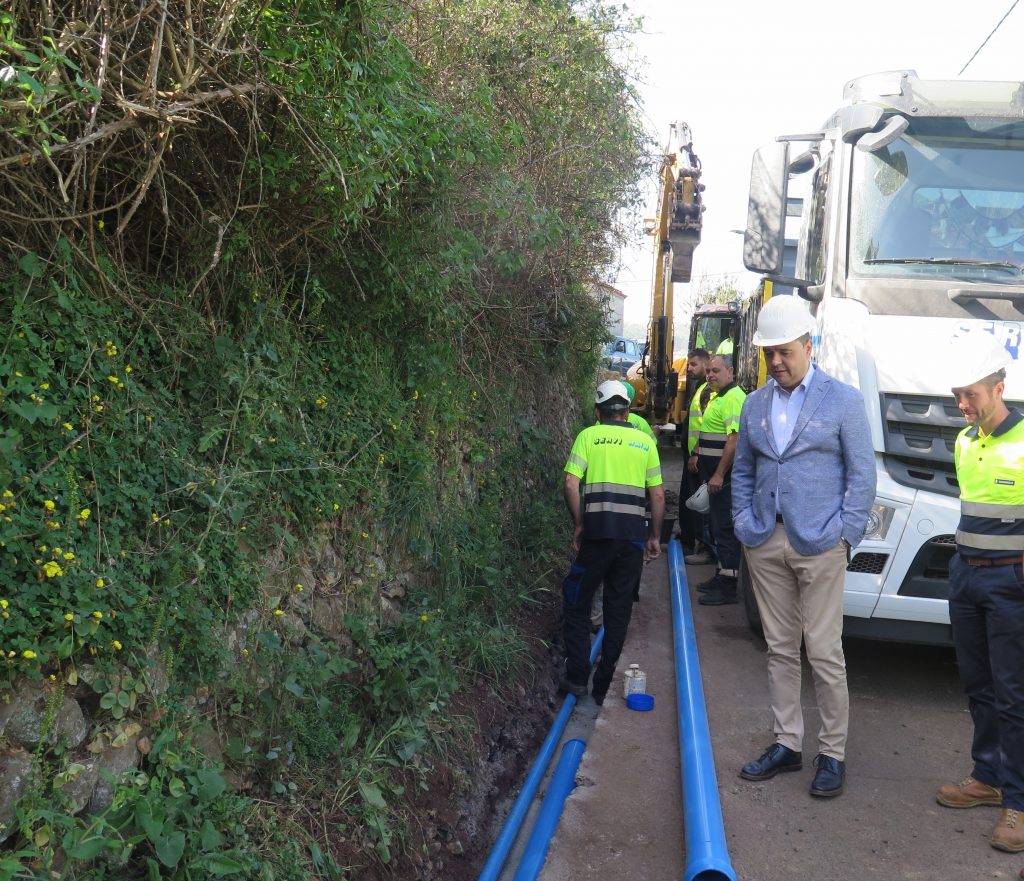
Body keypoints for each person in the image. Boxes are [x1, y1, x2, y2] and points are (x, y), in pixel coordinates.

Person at [731, 295, 875, 799]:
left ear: (808, 346)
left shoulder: (843, 401)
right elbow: (745, 468)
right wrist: (744, 521)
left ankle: (831, 753)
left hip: (821, 544)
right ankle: (787, 744)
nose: (775, 362)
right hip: (765, 541)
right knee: (779, 649)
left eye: (784, 352)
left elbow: (862, 476)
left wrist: (845, 537)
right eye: (768, 353)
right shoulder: (754, 404)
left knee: (824, 651)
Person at [935, 332, 1024, 854]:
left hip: (1010, 581)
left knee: (1014, 694)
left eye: (970, 395)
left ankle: (1018, 801)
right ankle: (987, 777)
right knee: (978, 684)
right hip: (965, 575)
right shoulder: (966, 441)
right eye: (956, 396)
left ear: (998, 386)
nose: (962, 406)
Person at [560, 380, 665, 705]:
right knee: (617, 612)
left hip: (597, 536)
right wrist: (655, 535)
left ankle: (577, 678)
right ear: (628, 412)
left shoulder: (588, 436)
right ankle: (603, 686)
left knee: (576, 604)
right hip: (632, 541)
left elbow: (570, 482)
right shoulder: (645, 441)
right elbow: (658, 494)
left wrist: (580, 523)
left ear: (597, 411)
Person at [693, 353, 746, 605]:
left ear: (730, 371)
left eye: (716, 370)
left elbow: (733, 441)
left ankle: (728, 586)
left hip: (725, 481)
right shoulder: (720, 396)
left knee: (725, 529)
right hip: (716, 479)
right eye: (708, 371)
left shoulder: (734, 398)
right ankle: (721, 574)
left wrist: (718, 474)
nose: (710, 375)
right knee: (717, 526)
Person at [679, 348, 711, 555]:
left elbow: (705, 424)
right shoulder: (700, 387)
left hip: (697, 457)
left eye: (693, 364)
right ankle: (688, 537)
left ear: (706, 364)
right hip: (692, 455)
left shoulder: (707, 389)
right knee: (688, 498)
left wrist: (696, 453)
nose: (689, 368)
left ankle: (697, 542)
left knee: (697, 501)